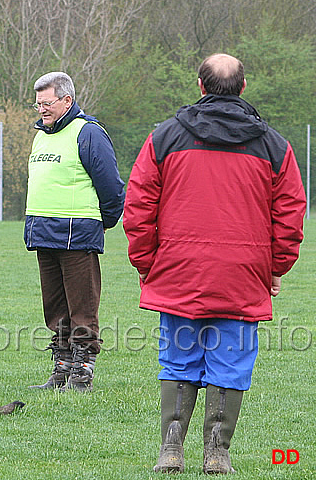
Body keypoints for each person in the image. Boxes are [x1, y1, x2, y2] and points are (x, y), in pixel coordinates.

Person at [123, 54, 306, 474]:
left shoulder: (165, 137)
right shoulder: (274, 145)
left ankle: (171, 449)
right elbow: (291, 213)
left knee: (178, 358)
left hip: (178, 269)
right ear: (244, 88)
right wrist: (275, 267)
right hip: (242, 273)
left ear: (200, 86)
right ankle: (217, 453)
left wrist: (146, 263)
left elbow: (138, 206)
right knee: (232, 360)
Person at [25, 72, 125, 393]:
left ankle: (82, 371)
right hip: (44, 234)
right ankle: (62, 367)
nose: (41, 109)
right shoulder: (41, 135)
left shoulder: (88, 133)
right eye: (38, 103)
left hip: (77, 235)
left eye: (47, 102)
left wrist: (102, 222)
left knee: (82, 306)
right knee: (54, 308)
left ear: (67, 100)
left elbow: (111, 187)